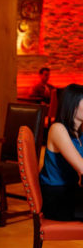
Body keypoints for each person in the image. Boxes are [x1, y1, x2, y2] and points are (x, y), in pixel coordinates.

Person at [39, 83, 83, 221]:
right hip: (57, 198)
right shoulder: (58, 129)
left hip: (72, 192)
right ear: (73, 104)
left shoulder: (80, 133)